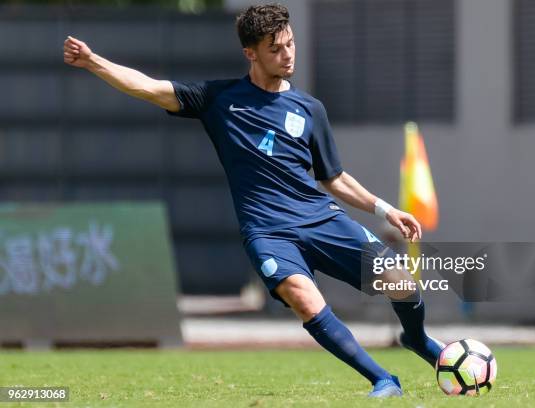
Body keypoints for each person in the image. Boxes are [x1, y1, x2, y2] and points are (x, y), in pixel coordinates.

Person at [63, 3, 444, 398]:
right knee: (303, 298)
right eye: (276, 48)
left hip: (321, 219)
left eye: (291, 44)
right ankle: (383, 379)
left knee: (399, 280)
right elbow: (147, 86)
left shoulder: (310, 109)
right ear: (251, 53)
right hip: (268, 231)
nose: (288, 54)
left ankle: (416, 340)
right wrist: (93, 62)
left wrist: (386, 209)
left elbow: (333, 178)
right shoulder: (219, 99)